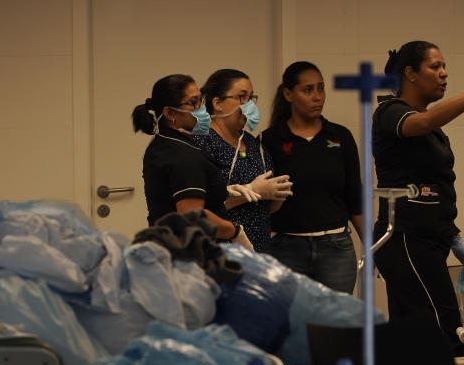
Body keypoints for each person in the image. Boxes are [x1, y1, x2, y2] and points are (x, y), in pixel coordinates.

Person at [372, 41, 464, 354]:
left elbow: (436, 184)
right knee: (447, 332)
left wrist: (452, 234)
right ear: (410, 74)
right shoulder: (390, 112)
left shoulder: (434, 129)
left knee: (411, 338)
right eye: (436, 67)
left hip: (431, 238)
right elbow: (422, 122)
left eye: (445, 68)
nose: (444, 74)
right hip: (404, 239)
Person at [262, 61, 364, 294]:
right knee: (291, 323)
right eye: (308, 90)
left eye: (321, 88)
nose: (317, 97)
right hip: (285, 248)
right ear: (288, 94)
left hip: (335, 248)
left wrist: (373, 245)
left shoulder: (340, 136)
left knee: (335, 325)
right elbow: (261, 202)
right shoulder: (271, 140)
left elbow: (354, 197)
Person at [132, 74, 256, 249]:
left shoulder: (165, 143)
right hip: (190, 255)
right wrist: (235, 231)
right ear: (169, 113)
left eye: (201, 100)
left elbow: (171, 195)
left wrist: (221, 192)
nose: (202, 108)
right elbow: (193, 217)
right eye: (193, 103)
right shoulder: (183, 154)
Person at [195, 69, 292, 253]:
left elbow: (266, 206)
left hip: (259, 251)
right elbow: (198, 209)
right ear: (218, 103)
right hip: (220, 253)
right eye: (242, 97)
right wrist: (252, 191)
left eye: (251, 97)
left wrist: (277, 193)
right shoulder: (202, 142)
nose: (249, 106)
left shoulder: (254, 144)